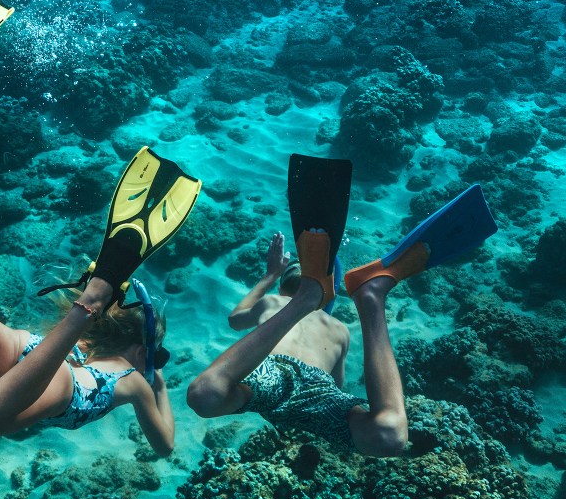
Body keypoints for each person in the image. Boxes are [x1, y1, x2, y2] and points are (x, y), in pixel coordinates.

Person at [0, 0, 201, 455]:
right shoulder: (130, 379)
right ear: (143, 347)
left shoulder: (88, 353)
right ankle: (95, 296)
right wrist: (160, 380)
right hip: (68, 382)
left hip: (31, 352)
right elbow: (166, 444)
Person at [186, 154, 495, 458]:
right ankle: (371, 297)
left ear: (285, 288)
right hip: (314, 393)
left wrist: (269, 276)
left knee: (205, 396)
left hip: (273, 379)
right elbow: (337, 385)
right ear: (331, 296)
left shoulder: (273, 301)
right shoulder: (338, 329)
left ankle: (313, 297)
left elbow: (235, 319)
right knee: (387, 438)